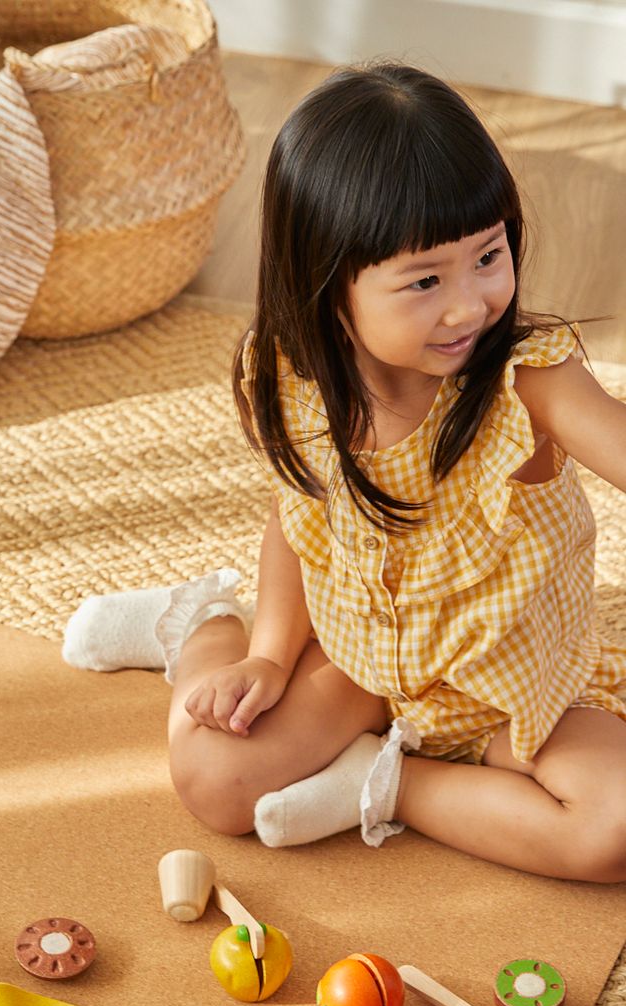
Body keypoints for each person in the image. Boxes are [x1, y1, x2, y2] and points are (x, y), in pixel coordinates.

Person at [62, 62, 626, 882]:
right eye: (425, 280)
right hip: (365, 668)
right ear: (329, 288)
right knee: (215, 782)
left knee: (613, 831)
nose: (469, 304)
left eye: (488, 255)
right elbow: (298, 522)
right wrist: (266, 656)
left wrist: (390, 782)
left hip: (518, 691)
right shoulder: (295, 381)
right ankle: (198, 626)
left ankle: (380, 784)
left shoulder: (529, 380)